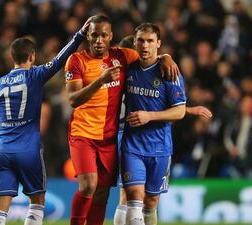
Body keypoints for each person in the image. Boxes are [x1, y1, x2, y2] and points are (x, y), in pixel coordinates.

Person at [64, 15, 178, 225]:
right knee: (89, 185)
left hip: (108, 138)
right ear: (88, 36)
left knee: (102, 193)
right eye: (94, 35)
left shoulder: (122, 56)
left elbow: (148, 56)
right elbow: (72, 100)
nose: (99, 40)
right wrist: (101, 80)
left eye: (103, 35)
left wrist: (166, 57)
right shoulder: (76, 60)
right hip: (83, 133)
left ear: (110, 37)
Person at [0, 17, 93, 225]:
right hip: (28, 149)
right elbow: (60, 59)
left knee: (0, 208)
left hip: (2, 149)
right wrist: (79, 35)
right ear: (32, 56)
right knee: (37, 201)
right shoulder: (35, 75)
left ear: (12, 57)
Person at [114, 35, 213, 225]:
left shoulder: (152, 71)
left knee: (150, 199)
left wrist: (188, 109)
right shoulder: (123, 72)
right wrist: (165, 56)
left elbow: (156, 101)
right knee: (129, 196)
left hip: (154, 141)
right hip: (126, 135)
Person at [119, 23, 187, 225]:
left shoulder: (169, 72)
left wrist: (149, 116)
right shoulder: (127, 68)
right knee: (134, 196)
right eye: (141, 40)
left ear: (158, 43)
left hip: (159, 147)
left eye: (150, 41)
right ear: (134, 43)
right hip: (132, 145)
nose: (145, 45)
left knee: (151, 201)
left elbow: (180, 110)